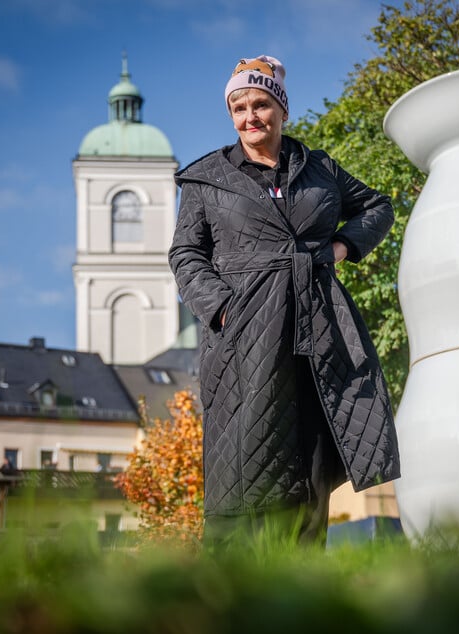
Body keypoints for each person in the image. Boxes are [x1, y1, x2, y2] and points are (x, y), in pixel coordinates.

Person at [168, 55, 400, 546]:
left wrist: (342, 245)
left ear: (281, 108)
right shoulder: (206, 179)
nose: (250, 116)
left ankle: (302, 583)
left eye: (260, 104)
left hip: (319, 328)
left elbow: (378, 206)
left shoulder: (320, 169)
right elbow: (186, 253)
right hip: (244, 333)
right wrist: (222, 308)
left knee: (313, 457)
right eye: (239, 107)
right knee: (242, 457)